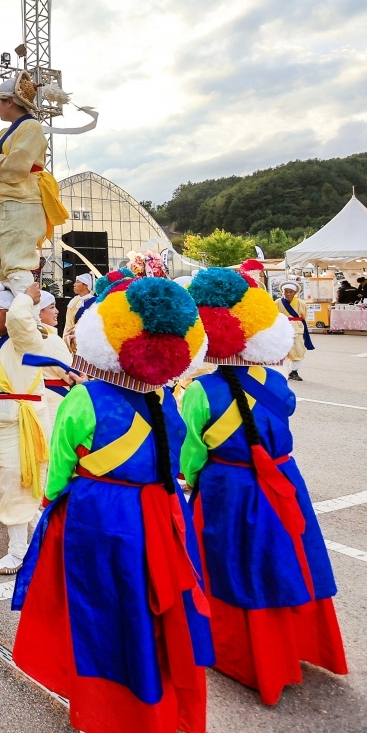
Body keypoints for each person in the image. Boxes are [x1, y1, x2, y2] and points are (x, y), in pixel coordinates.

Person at [11, 273, 213, 733]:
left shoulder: (84, 397)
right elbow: (180, 459)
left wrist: (51, 501)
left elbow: (61, 465)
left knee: (97, 608)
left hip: (98, 514)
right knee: (156, 605)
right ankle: (154, 697)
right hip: (161, 510)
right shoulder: (167, 398)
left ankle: (102, 707)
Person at [181, 268, 347, 704]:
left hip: (227, 486)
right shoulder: (275, 381)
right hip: (281, 478)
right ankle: (300, 642)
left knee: (233, 566)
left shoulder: (201, 390)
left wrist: (196, 481)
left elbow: (192, 451)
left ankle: (246, 654)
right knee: (287, 556)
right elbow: (282, 413)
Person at [0, 283, 51, 574]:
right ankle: (52, 536)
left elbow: (16, 319)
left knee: (17, 485)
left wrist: (24, 296)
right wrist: (4, 284)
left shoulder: (24, 338)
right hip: (0, 422)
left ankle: (18, 554)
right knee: (6, 484)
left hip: (19, 423)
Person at [0, 70, 68, 294]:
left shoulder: (31, 127)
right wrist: (0, 160)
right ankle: (8, 315)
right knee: (0, 267)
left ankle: (25, 316)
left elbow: (17, 166)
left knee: (16, 263)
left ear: (9, 102)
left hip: (21, 201)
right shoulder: (4, 132)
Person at [35, 289, 75, 428]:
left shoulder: (30, 337)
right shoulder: (50, 339)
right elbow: (72, 375)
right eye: (52, 307)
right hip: (55, 401)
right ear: (38, 312)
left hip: (41, 396)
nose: (57, 311)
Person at [277, 282, 313, 381]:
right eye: (286, 291)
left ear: (294, 292)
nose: (288, 294)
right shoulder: (277, 302)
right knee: (281, 351)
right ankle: (280, 371)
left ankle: (294, 371)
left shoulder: (301, 303)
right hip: (282, 328)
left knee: (298, 350)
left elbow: (304, 316)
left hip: (297, 328)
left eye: (290, 292)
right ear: (282, 292)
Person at [62, 273, 94, 351]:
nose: (74, 284)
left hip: (86, 342)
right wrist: (65, 340)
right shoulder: (73, 302)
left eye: (77, 282)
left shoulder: (94, 303)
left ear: (86, 285)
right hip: (71, 341)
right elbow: (68, 324)